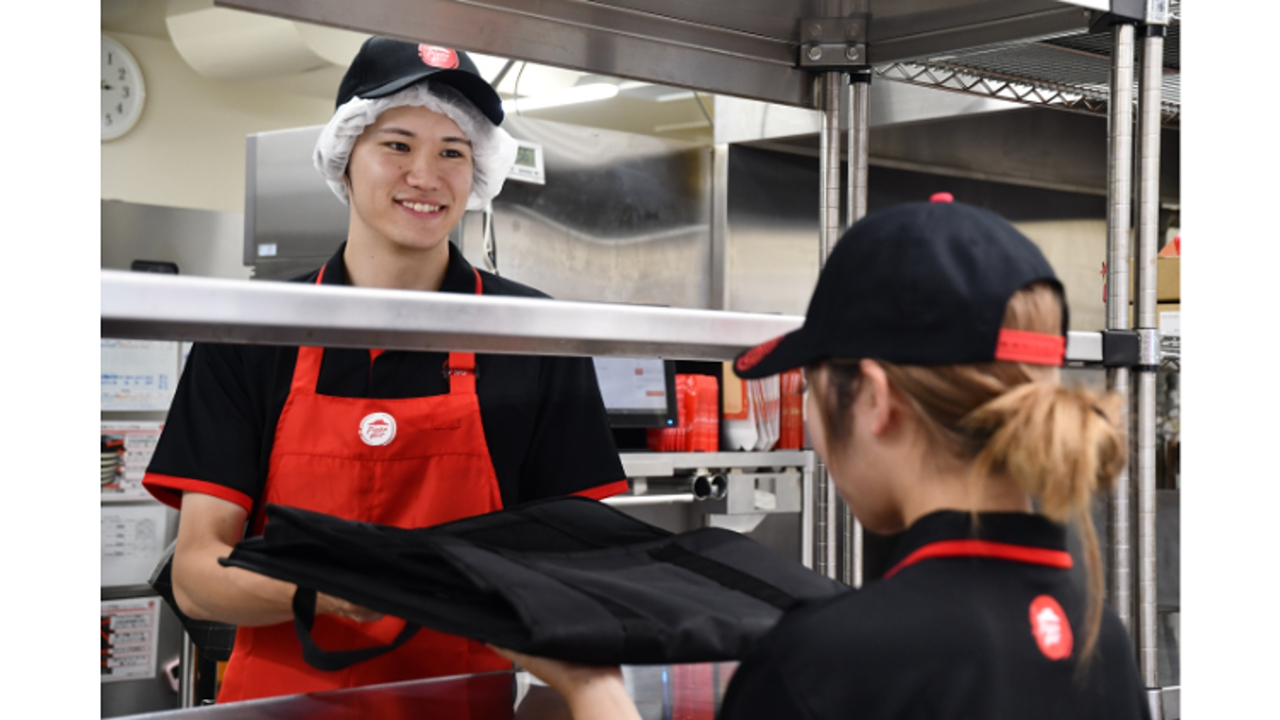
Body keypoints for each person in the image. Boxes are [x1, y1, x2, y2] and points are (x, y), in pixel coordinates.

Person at [493, 201, 1152, 719]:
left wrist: (590, 694)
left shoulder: (831, 661)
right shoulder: (1103, 641)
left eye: (807, 387)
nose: (809, 418)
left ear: (873, 399)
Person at [142, 36, 628, 703]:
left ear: (477, 172)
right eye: (396, 144)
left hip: (463, 706)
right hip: (278, 711)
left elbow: (578, 573)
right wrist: (328, 591)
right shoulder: (254, 327)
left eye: (452, 151)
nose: (425, 175)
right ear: (344, 160)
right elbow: (198, 576)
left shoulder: (530, 335)